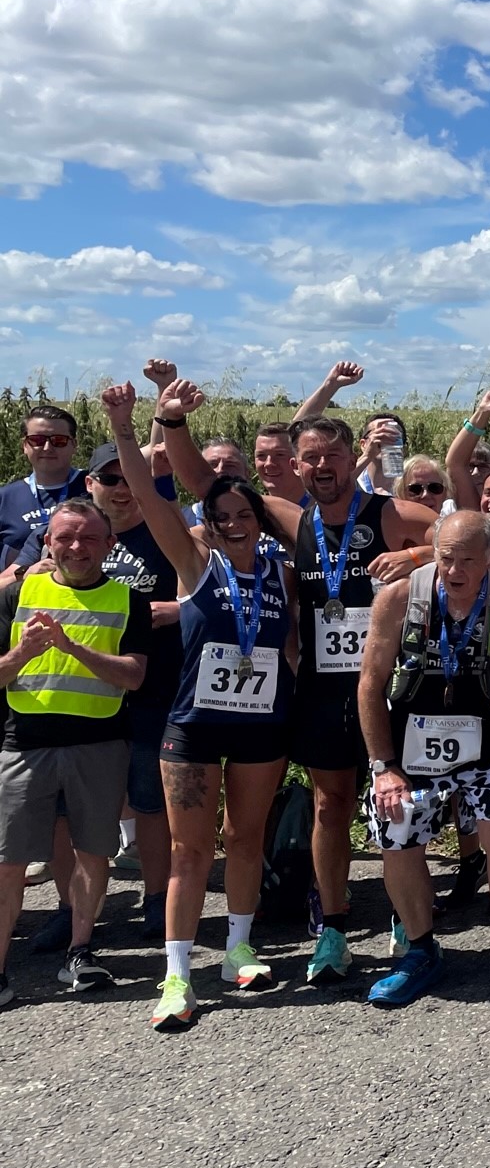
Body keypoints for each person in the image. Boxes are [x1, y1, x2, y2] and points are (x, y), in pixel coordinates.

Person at [157, 385, 436, 982]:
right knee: (331, 806)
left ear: (351, 457)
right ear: (295, 466)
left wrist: (413, 560)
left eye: (331, 456)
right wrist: (171, 420)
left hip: (386, 688)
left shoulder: (387, 514)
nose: (321, 467)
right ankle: (333, 928)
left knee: (397, 806)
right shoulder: (290, 519)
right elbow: (206, 488)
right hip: (322, 691)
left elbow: (467, 533)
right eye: (308, 459)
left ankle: (404, 916)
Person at [102, 391, 295, 1029]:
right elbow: (149, 496)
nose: (235, 521)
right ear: (207, 519)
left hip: (261, 727)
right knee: (190, 852)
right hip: (193, 726)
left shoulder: (279, 574)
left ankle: (238, 946)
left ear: (259, 519)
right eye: (223, 513)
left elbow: (293, 644)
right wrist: (124, 427)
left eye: (245, 512)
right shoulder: (194, 564)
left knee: (244, 840)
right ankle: (178, 975)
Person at [357, 510, 490, 1008]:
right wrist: (383, 767)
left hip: (485, 735)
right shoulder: (399, 597)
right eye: (444, 558)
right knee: (398, 830)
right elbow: (369, 685)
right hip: (410, 741)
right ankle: (419, 950)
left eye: (466, 561)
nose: (453, 571)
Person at [0, 499, 149, 1007]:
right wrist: (24, 652)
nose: (76, 547)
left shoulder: (129, 600)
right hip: (24, 743)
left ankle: (80, 951)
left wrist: (71, 647)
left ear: (109, 545)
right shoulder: (18, 594)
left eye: (89, 538)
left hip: (100, 743)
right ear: (48, 542)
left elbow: (134, 675)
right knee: (8, 861)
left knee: (93, 852)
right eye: (65, 537)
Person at [0, 404, 86, 572]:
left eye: (59, 441)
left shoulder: (98, 486)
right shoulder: (5, 498)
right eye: (37, 440)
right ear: (25, 445)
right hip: (25, 594)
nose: (48, 448)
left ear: (74, 445)